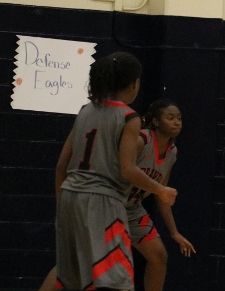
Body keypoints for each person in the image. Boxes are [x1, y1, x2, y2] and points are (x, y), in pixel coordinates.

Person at [52, 52, 177, 291]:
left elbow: (61, 165)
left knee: (73, 276)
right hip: (103, 200)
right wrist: (160, 190)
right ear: (134, 84)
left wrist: (62, 202)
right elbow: (128, 170)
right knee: (115, 280)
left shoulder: (85, 110)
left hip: (69, 196)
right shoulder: (129, 117)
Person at [125, 98, 196, 291]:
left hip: (132, 208)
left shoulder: (172, 152)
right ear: (156, 121)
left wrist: (174, 232)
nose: (176, 122)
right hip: (111, 203)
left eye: (179, 118)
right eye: (170, 118)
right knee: (85, 262)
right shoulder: (141, 140)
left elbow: (161, 193)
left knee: (158, 256)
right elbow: (122, 170)